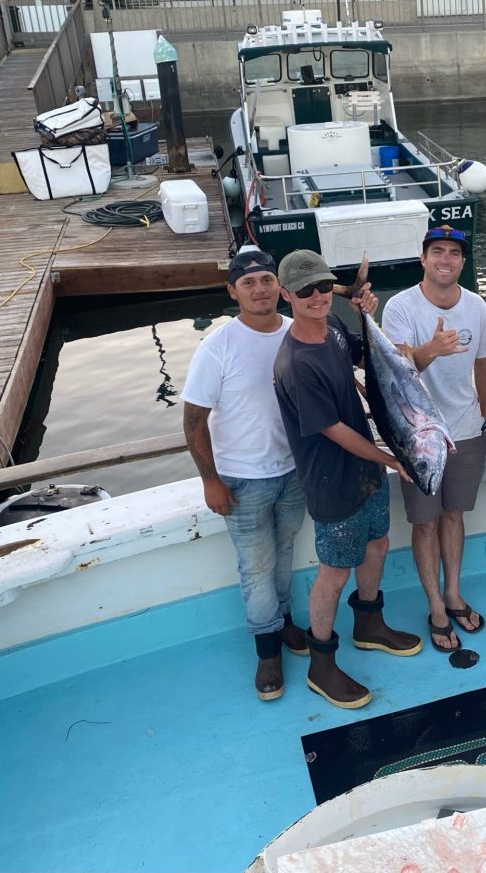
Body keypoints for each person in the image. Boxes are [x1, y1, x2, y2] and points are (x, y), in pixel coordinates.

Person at [273, 249, 422, 710]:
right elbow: (333, 430)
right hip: (332, 480)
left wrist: (364, 317)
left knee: (377, 544)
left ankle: (369, 624)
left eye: (322, 286)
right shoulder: (296, 363)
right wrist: (391, 458)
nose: (317, 296)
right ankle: (321, 663)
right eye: (305, 291)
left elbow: (362, 359)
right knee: (334, 573)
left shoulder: (334, 326)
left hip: (366, 473)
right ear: (285, 296)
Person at [181, 248, 307, 702]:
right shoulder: (217, 346)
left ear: (280, 286)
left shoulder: (298, 331)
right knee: (255, 568)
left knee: (284, 554)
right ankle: (267, 648)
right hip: (241, 479)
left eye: (267, 280)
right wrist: (209, 479)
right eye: (249, 282)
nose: (260, 289)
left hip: (295, 472)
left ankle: (286, 620)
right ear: (233, 291)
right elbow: (194, 420)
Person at [382, 226, 486, 652]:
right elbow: (394, 375)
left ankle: (453, 594)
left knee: (453, 515)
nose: (445, 259)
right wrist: (429, 350)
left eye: (453, 253)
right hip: (418, 437)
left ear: (462, 262)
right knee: (425, 523)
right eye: (437, 252)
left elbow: (485, 364)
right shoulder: (399, 307)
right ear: (423, 259)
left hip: (467, 431)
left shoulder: (478, 307)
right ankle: (434, 604)